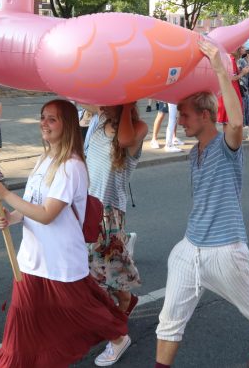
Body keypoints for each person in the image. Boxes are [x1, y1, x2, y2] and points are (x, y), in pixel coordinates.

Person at [155, 39, 249, 368]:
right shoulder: (193, 153)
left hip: (224, 248)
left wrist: (218, 70)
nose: (180, 121)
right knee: (169, 320)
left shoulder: (228, 145)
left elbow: (237, 123)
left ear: (205, 115)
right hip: (190, 247)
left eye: (185, 115)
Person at [0, 99, 128, 367]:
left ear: (68, 125)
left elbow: (47, 214)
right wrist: (9, 217)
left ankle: (119, 337)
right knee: (21, 320)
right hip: (31, 260)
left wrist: (6, 195)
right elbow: (32, 206)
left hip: (61, 261)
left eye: (52, 119)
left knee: (85, 312)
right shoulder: (44, 158)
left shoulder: (71, 166)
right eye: (42, 117)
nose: (44, 123)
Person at [86, 103, 148, 365]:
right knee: (96, 273)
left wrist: (125, 103)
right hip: (88, 207)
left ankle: (118, 332)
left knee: (105, 275)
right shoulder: (99, 120)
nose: (102, 104)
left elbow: (124, 139)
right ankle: (125, 301)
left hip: (109, 214)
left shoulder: (138, 128)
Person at [217, 46, 249, 128]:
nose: (244, 48)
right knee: (231, 118)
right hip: (231, 91)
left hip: (231, 90)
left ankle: (229, 139)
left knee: (229, 119)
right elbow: (232, 78)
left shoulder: (233, 59)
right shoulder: (231, 60)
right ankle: (231, 139)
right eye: (242, 47)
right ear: (237, 49)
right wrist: (243, 73)